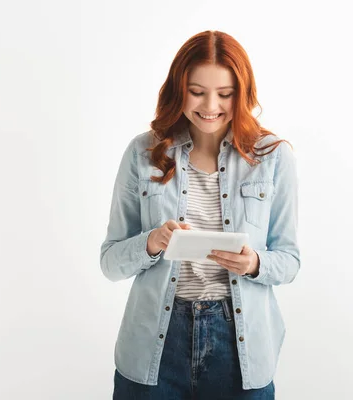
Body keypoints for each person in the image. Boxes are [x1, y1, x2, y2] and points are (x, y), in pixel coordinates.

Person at [100, 30, 300, 399]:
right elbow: (110, 262)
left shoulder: (272, 156)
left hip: (240, 346)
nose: (210, 105)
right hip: (155, 345)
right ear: (179, 88)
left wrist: (254, 263)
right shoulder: (143, 152)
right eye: (197, 91)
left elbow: (289, 260)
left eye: (224, 94)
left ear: (242, 93)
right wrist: (152, 243)